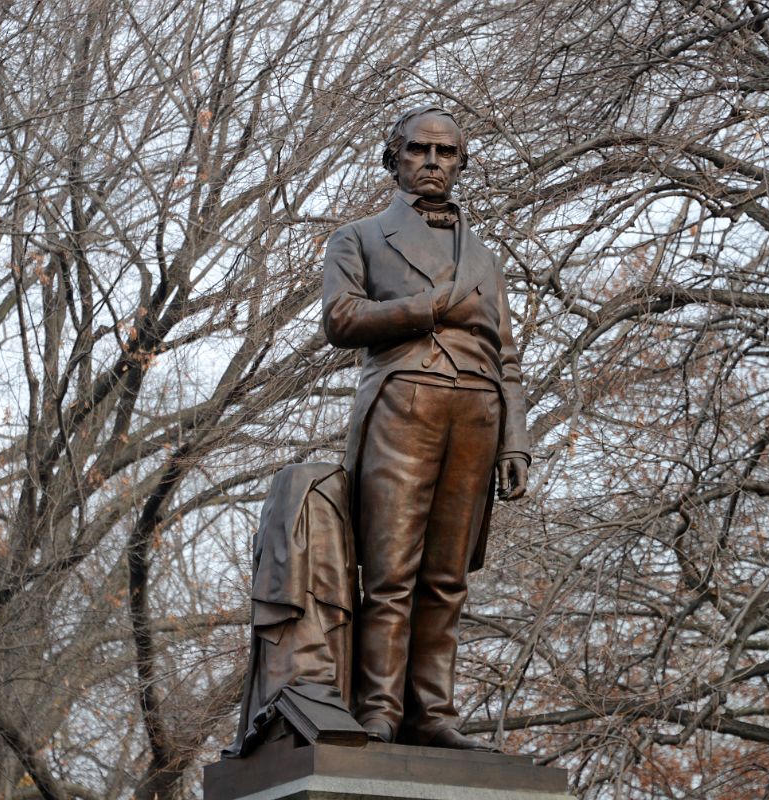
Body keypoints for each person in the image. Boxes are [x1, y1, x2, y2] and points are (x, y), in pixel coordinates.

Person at [321, 105, 530, 751]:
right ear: (394, 158)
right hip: (402, 402)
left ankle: (432, 715)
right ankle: (379, 710)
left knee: (448, 574)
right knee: (390, 568)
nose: (432, 163)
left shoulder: (485, 257)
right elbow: (341, 319)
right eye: (418, 150)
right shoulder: (358, 237)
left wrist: (516, 438)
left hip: (476, 412)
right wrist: (427, 307)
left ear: (461, 164)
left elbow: (508, 354)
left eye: (446, 153)